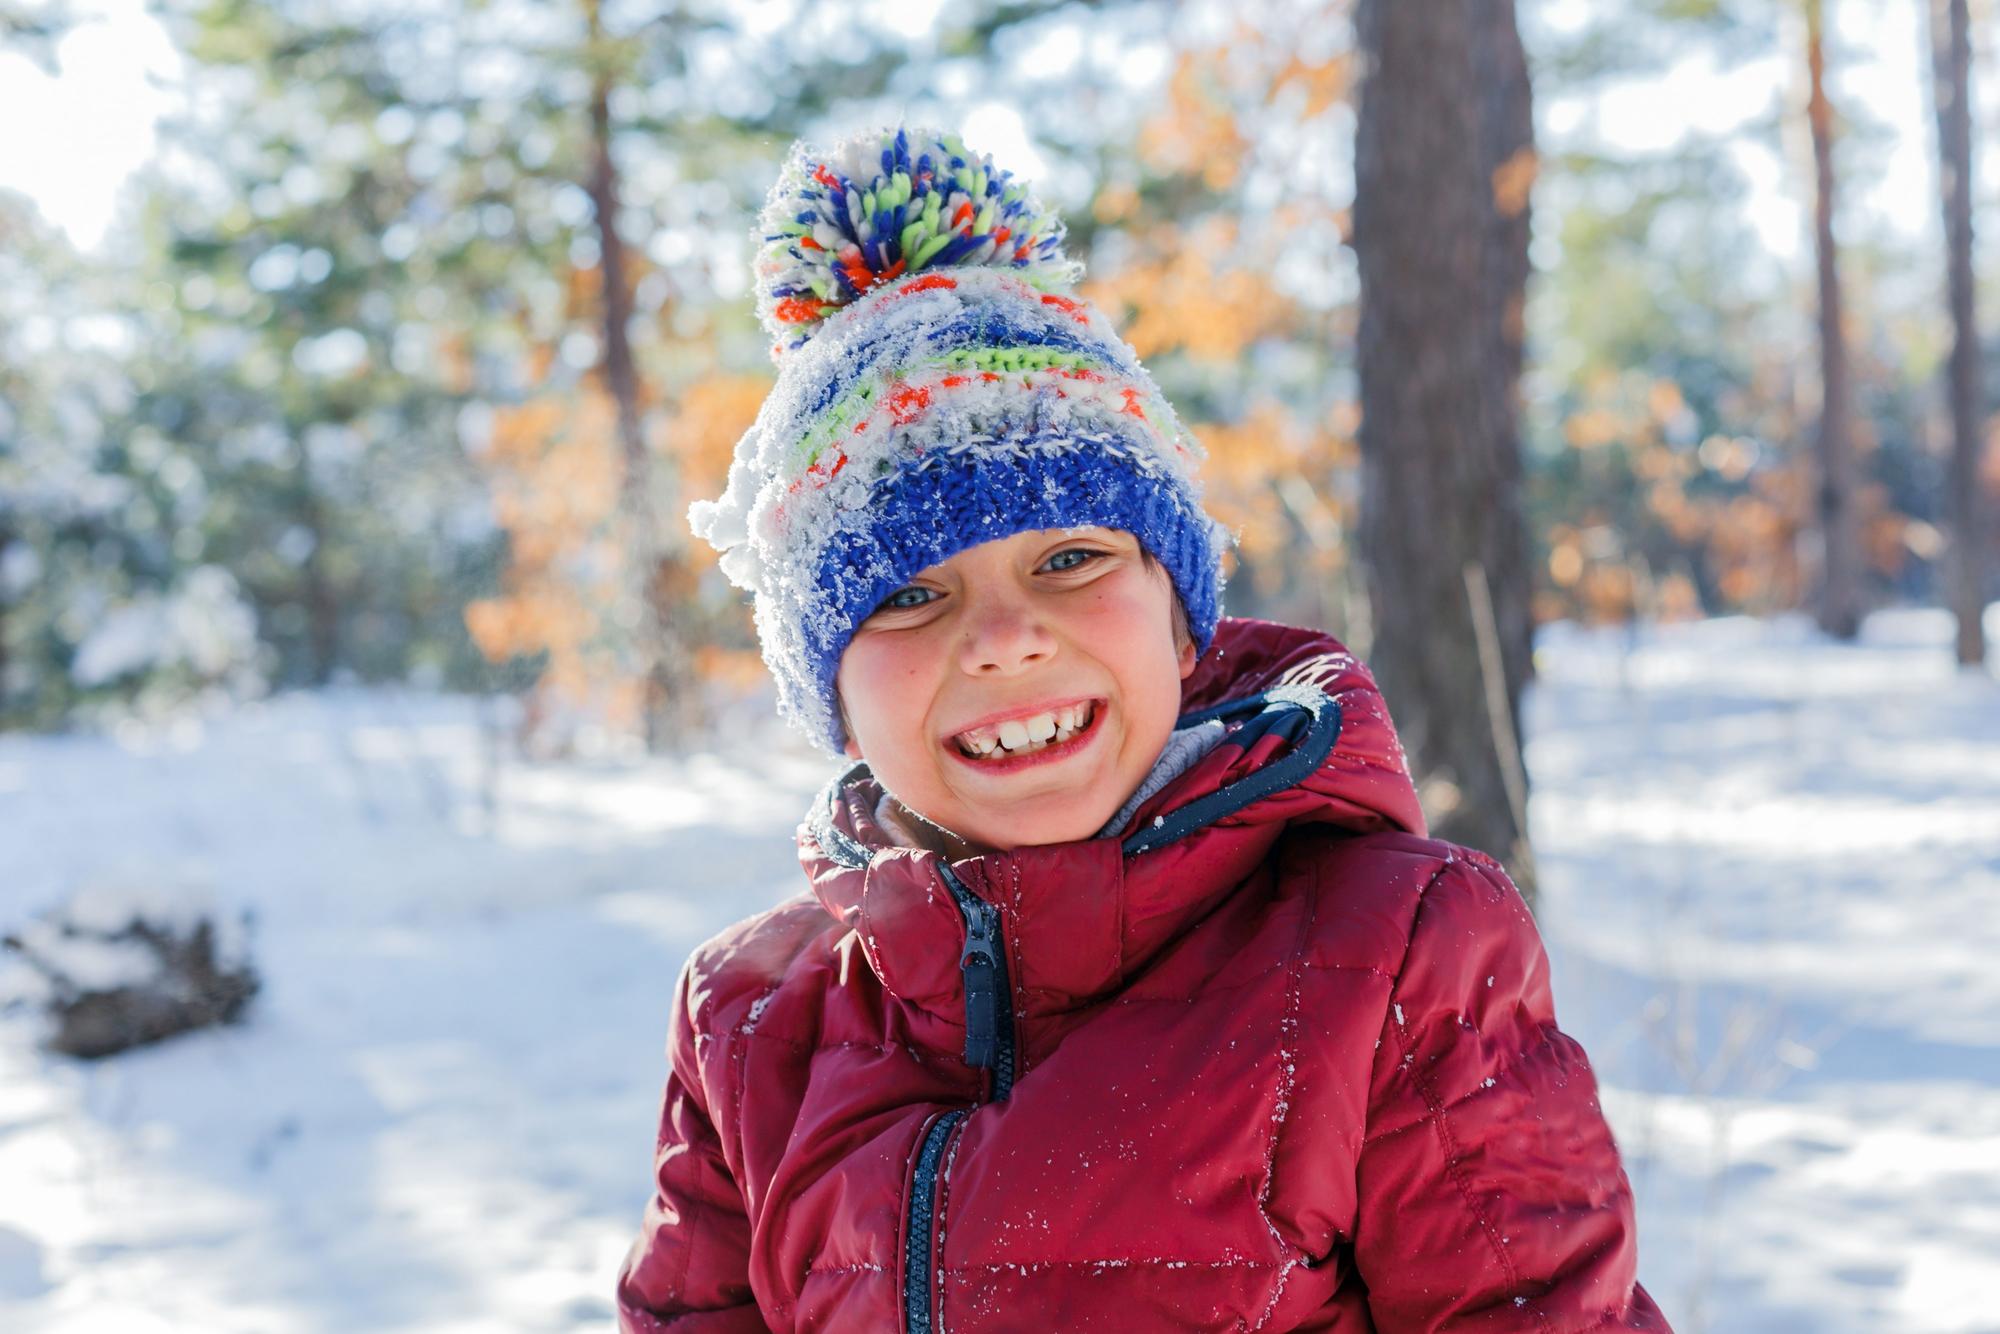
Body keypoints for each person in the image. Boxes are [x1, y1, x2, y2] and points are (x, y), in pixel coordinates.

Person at [616, 125, 1668, 1333]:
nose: (1003, 637)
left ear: (1180, 622)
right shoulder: (750, 1019)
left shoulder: (1390, 957)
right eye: (908, 593)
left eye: (1069, 556)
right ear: (829, 694)